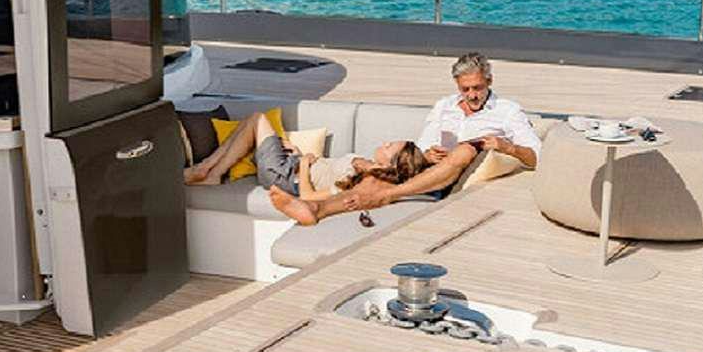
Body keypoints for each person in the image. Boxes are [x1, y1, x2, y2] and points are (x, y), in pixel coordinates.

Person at [270, 52, 541, 226]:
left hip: (452, 178)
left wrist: (507, 147)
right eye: (465, 89)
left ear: (489, 81)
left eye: (477, 88)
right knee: (372, 179)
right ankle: (316, 209)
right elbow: (421, 146)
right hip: (425, 170)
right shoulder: (445, 106)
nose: (471, 95)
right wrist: (427, 154)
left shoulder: (507, 111)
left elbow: (536, 157)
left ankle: (387, 195)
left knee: (465, 150)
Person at [185, 110, 430, 199]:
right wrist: (300, 155)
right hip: (289, 165)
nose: (384, 143)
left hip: (283, 177)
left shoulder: (362, 182)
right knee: (253, 121)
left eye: (389, 147)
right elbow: (323, 171)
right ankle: (210, 170)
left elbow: (308, 196)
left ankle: (208, 170)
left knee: (258, 119)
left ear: (389, 164)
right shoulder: (365, 166)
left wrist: (303, 164)